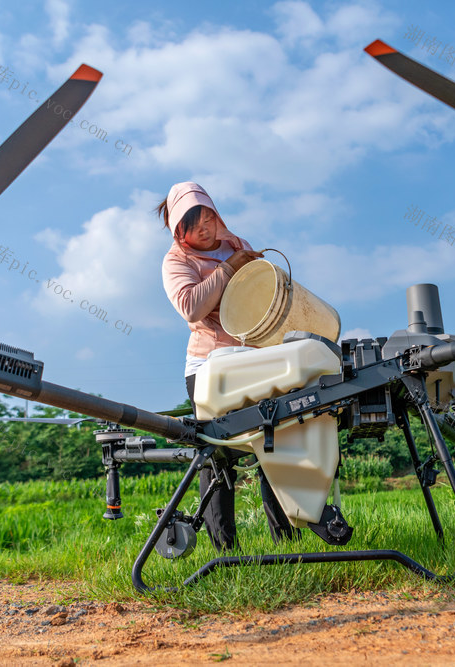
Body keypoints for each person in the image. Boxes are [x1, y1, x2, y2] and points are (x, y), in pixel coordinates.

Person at [158, 181, 300, 551]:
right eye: (192, 224)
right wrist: (228, 271)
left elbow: (264, 292)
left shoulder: (237, 245)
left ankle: (288, 546)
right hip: (209, 367)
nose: (203, 228)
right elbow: (191, 306)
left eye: (206, 216)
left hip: (253, 358)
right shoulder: (177, 261)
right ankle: (225, 552)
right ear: (178, 229)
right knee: (217, 455)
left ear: (215, 213)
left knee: (274, 440)